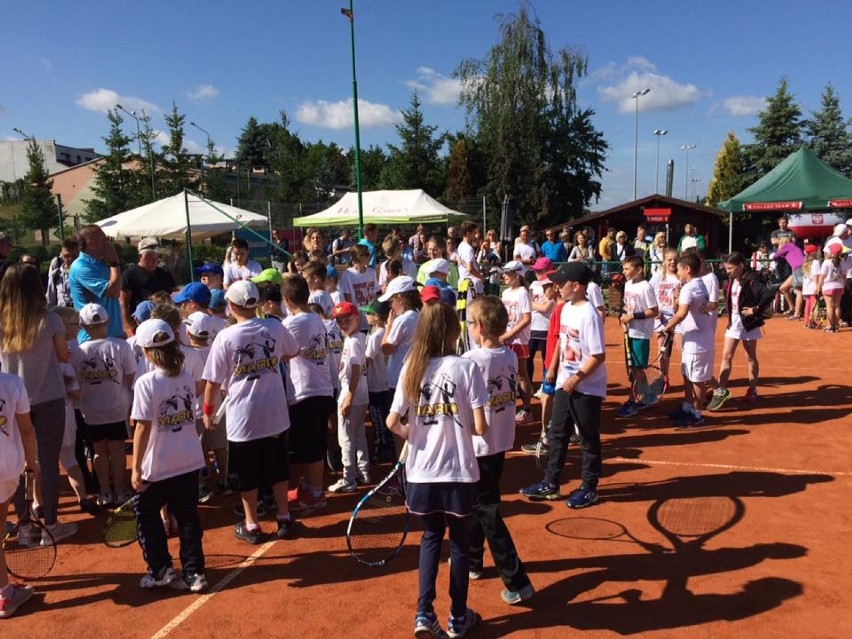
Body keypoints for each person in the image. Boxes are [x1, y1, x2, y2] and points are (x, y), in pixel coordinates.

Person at [386, 301, 487, 639]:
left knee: (430, 537)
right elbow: (480, 427)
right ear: (452, 330)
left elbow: (391, 422)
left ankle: (423, 613)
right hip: (458, 471)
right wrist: (452, 426)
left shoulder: (410, 367)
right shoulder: (466, 367)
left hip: (421, 472)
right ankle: (458, 616)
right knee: (459, 544)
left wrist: (414, 434)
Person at [202, 280, 301, 542]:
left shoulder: (226, 336)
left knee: (246, 474)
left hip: (242, 418)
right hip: (275, 413)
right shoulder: (274, 327)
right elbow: (293, 351)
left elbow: (212, 382)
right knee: (278, 468)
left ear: (231, 306)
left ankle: (252, 524)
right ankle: (283, 518)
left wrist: (208, 411)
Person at [462, 296, 535, 605]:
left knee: (485, 508)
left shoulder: (473, 360)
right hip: (499, 440)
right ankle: (473, 561)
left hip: (480, 443)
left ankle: (516, 579)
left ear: (478, 327)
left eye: (468, 323)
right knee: (482, 501)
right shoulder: (507, 353)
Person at [0, 264, 78, 542]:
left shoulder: (2, 322)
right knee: (46, 461)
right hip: (49, 398)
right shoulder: (50, 320)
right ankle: (52, 525)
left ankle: (25, 528)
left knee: (19, 463)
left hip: (10, 402)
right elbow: (62, 357)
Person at [520, 262, 606, 508]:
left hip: (587, 387)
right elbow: (562, 340)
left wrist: (576, 379)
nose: (556, 286)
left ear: (576, 286)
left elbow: (598, 355)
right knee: (557, 434)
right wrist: (555, 370)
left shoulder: (589, 315)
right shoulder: (567, 308)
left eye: (561, 282)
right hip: (564, 382)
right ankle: (551, 483)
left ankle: (589, 487)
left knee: (588, 438)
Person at [130, 319, 208, 591]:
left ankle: (160, 570)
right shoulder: (186, 376)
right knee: (187, 515)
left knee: (147, 512)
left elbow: (141, 427)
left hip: (160, 464)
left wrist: (136, 468)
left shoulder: (145, 383)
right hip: (189, 458)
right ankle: (195, 572)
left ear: (147, 352)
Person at [280, 275, 334, 515]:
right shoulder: (314, 317)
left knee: (309, 445)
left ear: (287, 301)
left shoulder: (294, 323)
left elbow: (276, 346)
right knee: (315, 442)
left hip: (307, 391)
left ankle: (315, 492)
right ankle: (311, 487)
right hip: (321, 388)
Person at [74, 303, 136, 507]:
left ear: (83, 326)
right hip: (117, 407)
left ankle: (105, 491)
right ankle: (119, 490)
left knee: (98, 450)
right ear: (107, 321)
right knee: (117, 448)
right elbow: (130, 377)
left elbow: (75, 381)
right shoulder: (121, 345)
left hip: (90, 410)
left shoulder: (79, 351)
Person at [706, 252, 776, 411]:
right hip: (734, 324)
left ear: (741, 266)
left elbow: (768, 294)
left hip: (749, 324)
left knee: (750, 357)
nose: (727, 271)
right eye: (726, 268)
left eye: (730, 268)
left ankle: (753, 389)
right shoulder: (731, 281)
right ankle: (720, 390)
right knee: (726, 356)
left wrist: (755, 309)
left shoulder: (752, 281)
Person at [52, 306, 98, 514]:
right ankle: (84, 497)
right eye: (74, 324)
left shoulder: (45, 364)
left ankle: (38, 505)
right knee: (71, 458)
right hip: (69, 412)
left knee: (41, 464)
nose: (78, 327)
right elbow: (75, 393)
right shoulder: (67, 363)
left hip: (51, 415)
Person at [0, 370, 38, 619]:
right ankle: (5, 595)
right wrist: (31, 463)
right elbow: (26, 430)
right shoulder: (12, 383)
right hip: (6, 468)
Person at [663, 253, 714, 428]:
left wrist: (667, 326)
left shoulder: (689, 288)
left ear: (687, 269)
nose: (677, 271)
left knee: (697, 379)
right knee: (687, 374)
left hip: (696, 340)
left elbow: (681, 313)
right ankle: (687, 407)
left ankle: (697, 415)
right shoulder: (698, 284)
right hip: (696, 337)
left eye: (679, 268)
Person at [326, 302, 370, 493]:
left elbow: (356, 370)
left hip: (350, 394)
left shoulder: (353, 341)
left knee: (346, 438)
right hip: (360, 395)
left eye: (347, 320)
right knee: (358, 435)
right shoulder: (358, 337)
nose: (342, 324)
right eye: (339, 321)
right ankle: (363, 471)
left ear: (357, 318)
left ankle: (348, 477)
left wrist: (348, 397)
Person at [616, 256, 659, 417]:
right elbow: (627, 307)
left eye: (627, 269)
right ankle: (648, 395)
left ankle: (633, 400)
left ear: (639, 270)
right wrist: (623, 317)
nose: (624, 272)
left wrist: (633, 316)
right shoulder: (627, 285)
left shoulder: (645, 287)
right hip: (629, 332)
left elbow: (654, 311)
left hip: (641, 333)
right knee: (633, 368)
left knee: (637, 369)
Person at [68, 225, 123, 341]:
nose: (107, 242)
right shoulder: (81, 266)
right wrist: (114, 263)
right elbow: (114, 291)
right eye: (103, 239)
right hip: (94, 339)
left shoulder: (98, 263)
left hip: (111, 336)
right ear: (89, 243)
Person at [499, 262, 534, 424]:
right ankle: (509, 405)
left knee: (521, 375)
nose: (503, 275)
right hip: (505, 338)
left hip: (518, 340)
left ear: (517, 275)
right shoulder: (505, 293)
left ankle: (527, 409)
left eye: (507, 273)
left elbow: (527, 319)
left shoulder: (523, 293)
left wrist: (510, 334)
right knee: (505, 374)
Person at [120, 238, 177, 337]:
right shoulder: (130, 274)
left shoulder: (165, 273)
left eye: (156, 257)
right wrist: (129, 326)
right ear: (140, 256)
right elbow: (124, 302)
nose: (154, 261)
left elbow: (174, 294)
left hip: (165, 323)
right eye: (150, 258)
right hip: (142, 323)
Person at [380, 276, 422, 412]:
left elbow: (386, 348)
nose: (391, 305)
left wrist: (389, 325)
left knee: (399, 422)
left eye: (392, 300)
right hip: (416, 375)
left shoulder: (403, 320)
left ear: (400, 298)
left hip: (399, 377)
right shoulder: (420, 315)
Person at [362, 299, 393, 462]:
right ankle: (387, 446)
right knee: (385, 414)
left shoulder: (376, 336)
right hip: (385, 382)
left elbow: (367, 359)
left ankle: (382, 449)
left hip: (376, 384)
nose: (365, 316)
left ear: (376, 317)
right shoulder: (387, 332)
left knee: (378, 417)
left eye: (369, 313)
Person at [649, 248, 680, 380]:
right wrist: (654, 310)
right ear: (664, 262)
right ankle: (663, 377)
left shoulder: (680, 278)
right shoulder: (658, 277)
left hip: (678, 317)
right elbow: (649, 293)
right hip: (661, 317)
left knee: (678, 348)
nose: (672, 262)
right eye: (669, 260)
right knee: (662, 349)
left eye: (675, 260)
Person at [817, 243, 850, 333]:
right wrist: (843, 285)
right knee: (837, 306)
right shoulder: (842, 262)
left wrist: (818, 287)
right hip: (839, 286)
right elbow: (844, 275)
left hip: (828, 286)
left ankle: (829, 326)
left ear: (831, 252)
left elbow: (822, 276)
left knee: (830, 307)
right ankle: (835, 326)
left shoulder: (827, 262)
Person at [775, 236, 805, 318]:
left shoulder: (787, 246)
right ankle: (792, 307)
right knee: (783, 288)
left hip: (799, 268)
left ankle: (797, 314)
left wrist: (780, 251)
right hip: (798, 268)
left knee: (799, 291)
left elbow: (775, 257)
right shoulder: (793, 247)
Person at [46, 237, 79, 308]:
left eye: (75, 256)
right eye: (67, 256)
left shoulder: (85, 274)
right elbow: (50, 300)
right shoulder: (55, 274)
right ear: (61, 256)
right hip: (61, 316)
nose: (70, 259)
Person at [801, 244, 821, 328]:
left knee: (808, 304)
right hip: (813, 286)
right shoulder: (816, 262)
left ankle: (807, 321)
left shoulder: (806, 261)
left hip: (806, 287)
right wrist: (818, 287)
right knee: (813, 305)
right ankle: (811, 321)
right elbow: (815, 276)